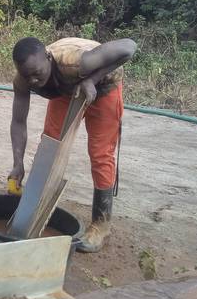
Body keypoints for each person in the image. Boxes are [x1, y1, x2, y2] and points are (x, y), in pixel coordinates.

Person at [9, 36, 137, 253]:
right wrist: (17, 163)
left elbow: (129, 47)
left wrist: (92, 79)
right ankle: (37, 207)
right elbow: (18, 121)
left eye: (37, 74)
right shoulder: (24, 78)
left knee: (100, 153)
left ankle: (101, 224)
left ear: (48, 59)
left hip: (104, 84)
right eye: (27, 76)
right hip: (66, 88)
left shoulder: (77, 62)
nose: (32, 81)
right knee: (51, 144)